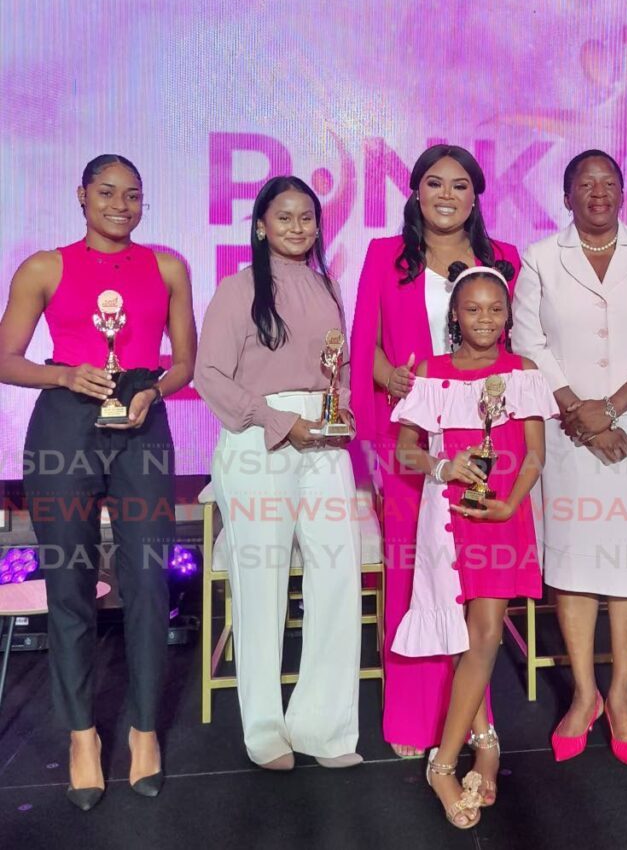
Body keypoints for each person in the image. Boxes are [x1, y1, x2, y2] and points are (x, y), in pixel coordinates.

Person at [0, 154, 195, 809]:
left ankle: (144, 732)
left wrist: (153, 390)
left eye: (133, 195)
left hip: (143, 423)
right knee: (70, 583)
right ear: (81, 196)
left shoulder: (167, 266)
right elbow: (6, 357)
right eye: (107, 192)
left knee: (147, 580)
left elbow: (185, 361)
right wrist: (62, 374)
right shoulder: (44, 267)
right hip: (64, 425)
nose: (121, 204)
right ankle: (82, 734)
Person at [512, 149, 627, 766]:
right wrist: (577, 412)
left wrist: (609, 409)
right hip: (566, 432)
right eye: (584, 184)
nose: (598, 193)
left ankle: (621, 694)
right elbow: (527, 341)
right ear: (565, 197)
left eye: (608, 183)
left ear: (624, 192)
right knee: (575, 559)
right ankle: (583, 694)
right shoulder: (540, 257)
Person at [350, 145, 521, 758]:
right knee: (412, 576)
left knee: (475, 586)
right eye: (433, 183)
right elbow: (361, 344)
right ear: (416, 193)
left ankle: (475, 719)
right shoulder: (384, 257)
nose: (445, 195)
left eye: (459, 185)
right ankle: (416, 718)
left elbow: (513, 347)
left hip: (484, 447)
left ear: (476, 196)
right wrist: (389, 375)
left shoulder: (503, 260)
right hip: (411, 445)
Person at [195, 175, 363, 772]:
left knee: (338, 575)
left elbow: (338, 373)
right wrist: (277, 421)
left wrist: (338, 419)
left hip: (324, 440)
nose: (298, 227)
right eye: (285, 217)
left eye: (308, 218)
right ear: (261, 225)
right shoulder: (237, 289)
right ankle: (265, 728)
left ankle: (325, 725)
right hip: (256, 441)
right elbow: (208, 375)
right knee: (261, 580)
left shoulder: (329, 286)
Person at [390, 261, 556, 828]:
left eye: (495, 309)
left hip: (504, 515)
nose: (484, 319)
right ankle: (485, 740)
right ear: (455, 316)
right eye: (472, 309)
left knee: (485, 635)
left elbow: (534, 452)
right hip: (448, 516)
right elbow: (406, 451)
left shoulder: (523, 371)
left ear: (508, 314)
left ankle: (442, 763)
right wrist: (443, 464)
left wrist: (513, 502)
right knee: (464, 638)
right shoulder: (432, 373)